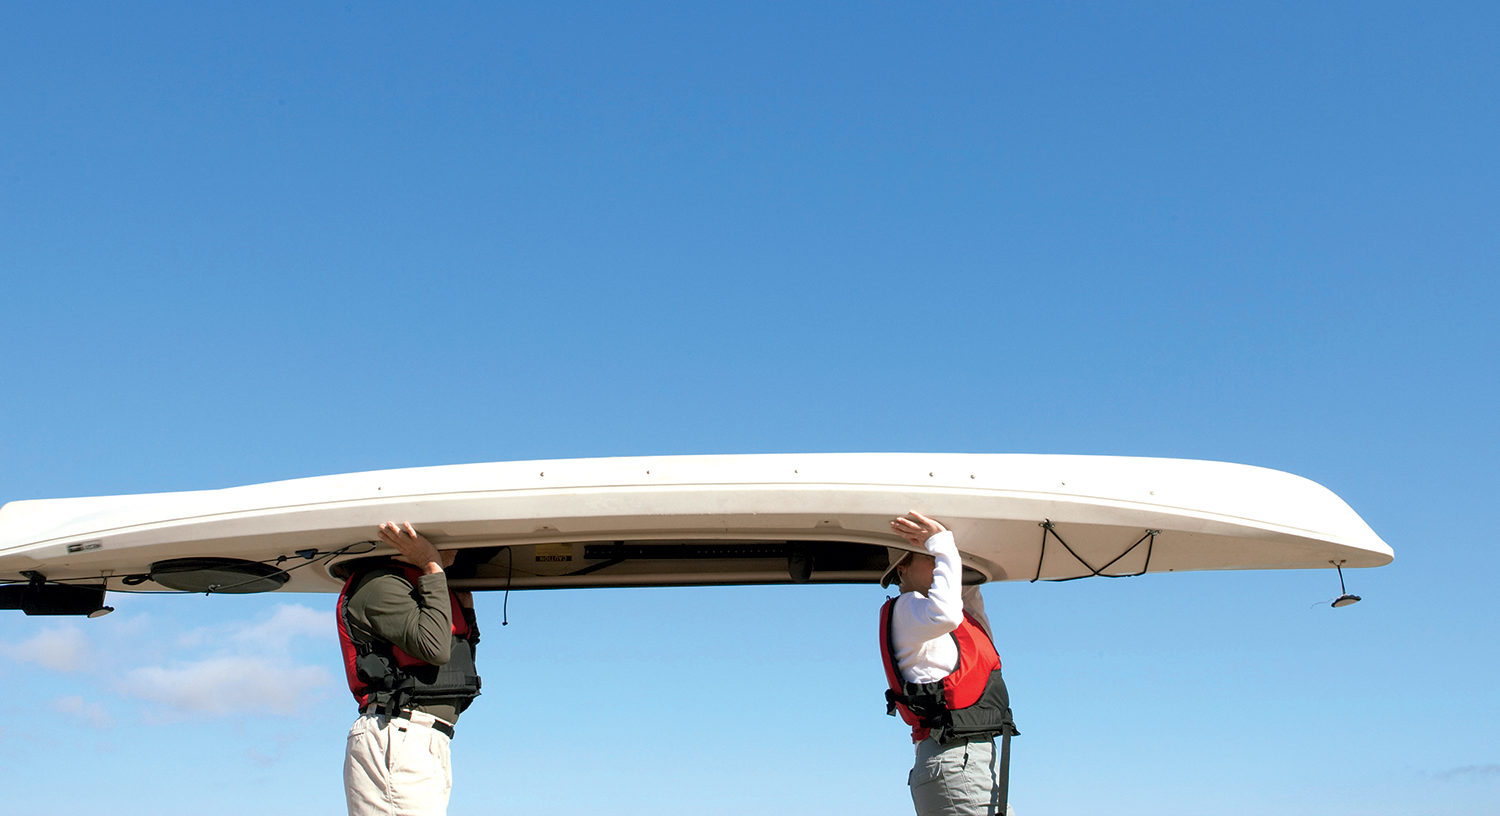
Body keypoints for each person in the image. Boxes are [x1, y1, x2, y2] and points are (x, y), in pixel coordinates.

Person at [338, 522, 482, 816]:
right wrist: (431, 565)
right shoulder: (378, 584)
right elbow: (434, 648)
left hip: (424, 739)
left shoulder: (417, 585)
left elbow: (460, 656)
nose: (458, 548)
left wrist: (463, 605)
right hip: (398, 736)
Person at [879, 511, 1018, 816]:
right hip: (955, 762)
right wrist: (942, 542)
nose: (943, 563)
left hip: (969, 764)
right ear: (902, 567)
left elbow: (966, 594)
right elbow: (946, 613)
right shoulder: (907, 609)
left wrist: (951, 546)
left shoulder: (948, 620)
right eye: (932, 557)